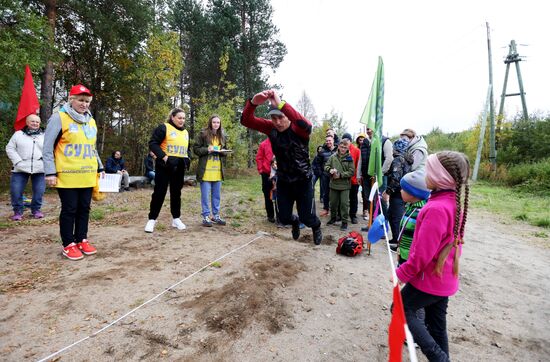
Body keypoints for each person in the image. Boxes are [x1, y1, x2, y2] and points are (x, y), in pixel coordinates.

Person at [396, 151, 470, 362]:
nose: (424, 174)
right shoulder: (452, 203)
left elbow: (421, 255)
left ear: (440, 177)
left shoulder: (436, 208)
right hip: (443, 279)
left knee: (402, 308)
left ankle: (439, 358)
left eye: (428, 171)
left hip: (428, 279)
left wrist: (401, 274)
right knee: (437, 327)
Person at [241, 89, 322, 245]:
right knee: (283, 218)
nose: (277, 122)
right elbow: (246, 121)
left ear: (288, 117)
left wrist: (280, 103)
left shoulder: (298, 130)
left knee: (308, 217)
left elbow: (307, 125)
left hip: (303, 180)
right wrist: (253, 103)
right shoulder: (271, 128)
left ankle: (316, 226)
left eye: (281, 117)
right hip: (284, 180)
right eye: (273, 118)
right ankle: (294, 222)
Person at [43, 84, 103, 260]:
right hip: (67, 174)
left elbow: (92, 147)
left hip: (87, 173)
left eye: (87, 101)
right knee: (70, 209)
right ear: (71, 100)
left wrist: (100, 167)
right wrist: (50, 173)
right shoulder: (59, 118)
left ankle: (81, 239)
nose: (84, 104)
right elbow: (47, 148)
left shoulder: (91, 121)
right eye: (80, 100)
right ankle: (68, 243)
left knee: (85, 208)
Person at [145, 107, 191, 233]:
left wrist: (188, 158)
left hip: (179, 167)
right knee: (159, 192)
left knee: (176, 193)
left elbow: (187, 149)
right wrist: (164, 157)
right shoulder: (164, 128)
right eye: (179, 118)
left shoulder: (186, 132)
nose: (182, 120)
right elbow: (153, 143)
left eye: (183, 118)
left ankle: (176, 218)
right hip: (164, 167)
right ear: (173, 117)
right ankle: (152, 220)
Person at [6, 114, 46, 220]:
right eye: (32, 121)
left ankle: (36, 210)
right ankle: (18, 212)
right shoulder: (18, 134)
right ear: (27, 123)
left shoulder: (44, 135)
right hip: (20, 167)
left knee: (39, 191)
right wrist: (18, 161)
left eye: (37, 122)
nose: (35, 123)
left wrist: (44, 160)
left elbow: (50, 150)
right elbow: (10, 148)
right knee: (16, 190)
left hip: (39, 168)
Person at [193, 115, 228, 227]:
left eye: (218, 122)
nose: (216, 124)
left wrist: (223, 151)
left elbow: (225, 152)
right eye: (214, 122)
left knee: (216, 195)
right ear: (210, 123)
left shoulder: (222, 136)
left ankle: (216, 216)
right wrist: (207, 150)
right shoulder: (203, 134)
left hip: (217, 171)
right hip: (206, 172)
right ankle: (206, 217)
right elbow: (196, 149)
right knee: (205, 196)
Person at [393, 170, 430, 260]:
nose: (401, 191)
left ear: (412, 193)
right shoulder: (410, 207)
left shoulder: (420, 212)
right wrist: (399, 250)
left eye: (403, 189)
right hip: (403, 252)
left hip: (410, 257)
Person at [383, 138, 412, 248]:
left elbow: (396, 178)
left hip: (397, 193)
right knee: (393, 215)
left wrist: (388, 191)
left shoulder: (398, 160)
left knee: (395, 217)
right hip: (403, 191)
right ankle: (395, 238)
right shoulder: (407, 159)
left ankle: (397, 242)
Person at [324, 139, 354, 231]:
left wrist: (341, 175)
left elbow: (351, 172)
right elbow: (326, 166)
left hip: (345, 185)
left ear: (347, 148)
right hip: (333, 184)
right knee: (333, 203)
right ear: (338, 146)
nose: (343, 149)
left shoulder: (349, 158)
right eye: (341, 147)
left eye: (345, 147)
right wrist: (330, 170)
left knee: (344, 204)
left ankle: (344, 222)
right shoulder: (333, 157)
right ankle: (333, 218)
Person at [342, 132, 360, 224]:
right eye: (343, 140)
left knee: (353, 198)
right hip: (342, 179)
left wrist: (357, 177)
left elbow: (358, 165)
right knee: (343, 199)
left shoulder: (356, 151)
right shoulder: (341, 149)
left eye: (347, 140)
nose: (345, 142)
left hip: (353, 180)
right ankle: (341, 215)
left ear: (350, 141)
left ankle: (353, 215)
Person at [256, 137, 275, 223]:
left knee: (280, 195)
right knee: (267, 195)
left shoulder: (281, 141)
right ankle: (270, 216)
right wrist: (260, 170)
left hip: (279, 173)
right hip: (266, 173)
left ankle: (281, 216)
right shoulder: (263, 144)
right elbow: (259, 158)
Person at [318, 135, 337, 217]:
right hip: (325, 175)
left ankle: (335, 210)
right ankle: (326, 209)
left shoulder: (338, 150)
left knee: (335, 193)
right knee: (326, 193)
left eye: (330, 140)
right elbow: (317, 163)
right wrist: (320, 173)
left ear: (333, 141)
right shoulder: (322, 151)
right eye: (327, 141)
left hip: (336, 176)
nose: (328, 142)